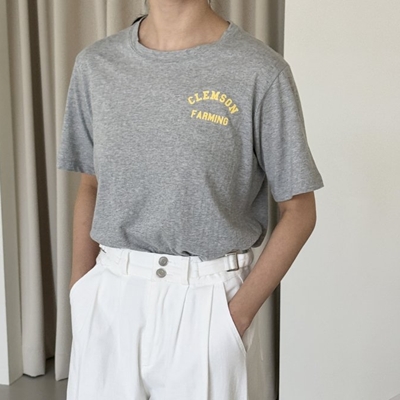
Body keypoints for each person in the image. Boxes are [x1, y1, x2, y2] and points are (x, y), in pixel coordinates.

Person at [57, 0, 324, 399]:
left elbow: (299, 211)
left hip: (207, 301)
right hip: (110, 297)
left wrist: (236, 316)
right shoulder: (96, 65)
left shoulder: (260, 71)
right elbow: (91, 185)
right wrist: (80, 291)